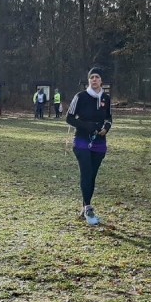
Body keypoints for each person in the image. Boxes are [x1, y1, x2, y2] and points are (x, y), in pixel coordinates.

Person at [66, 67, 112, 226]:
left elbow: (109, 117)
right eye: (91, 77)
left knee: (92, 175)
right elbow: (69, 118)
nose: (94, 80)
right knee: (86, 172)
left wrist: (106, 128)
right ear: (88, 80)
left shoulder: (106, 98)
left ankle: (85, 205)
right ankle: (88, 208)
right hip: (81, 140)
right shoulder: (80, 97)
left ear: (101, 81)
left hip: (99, 142)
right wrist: (88, 126)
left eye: (97, 77)